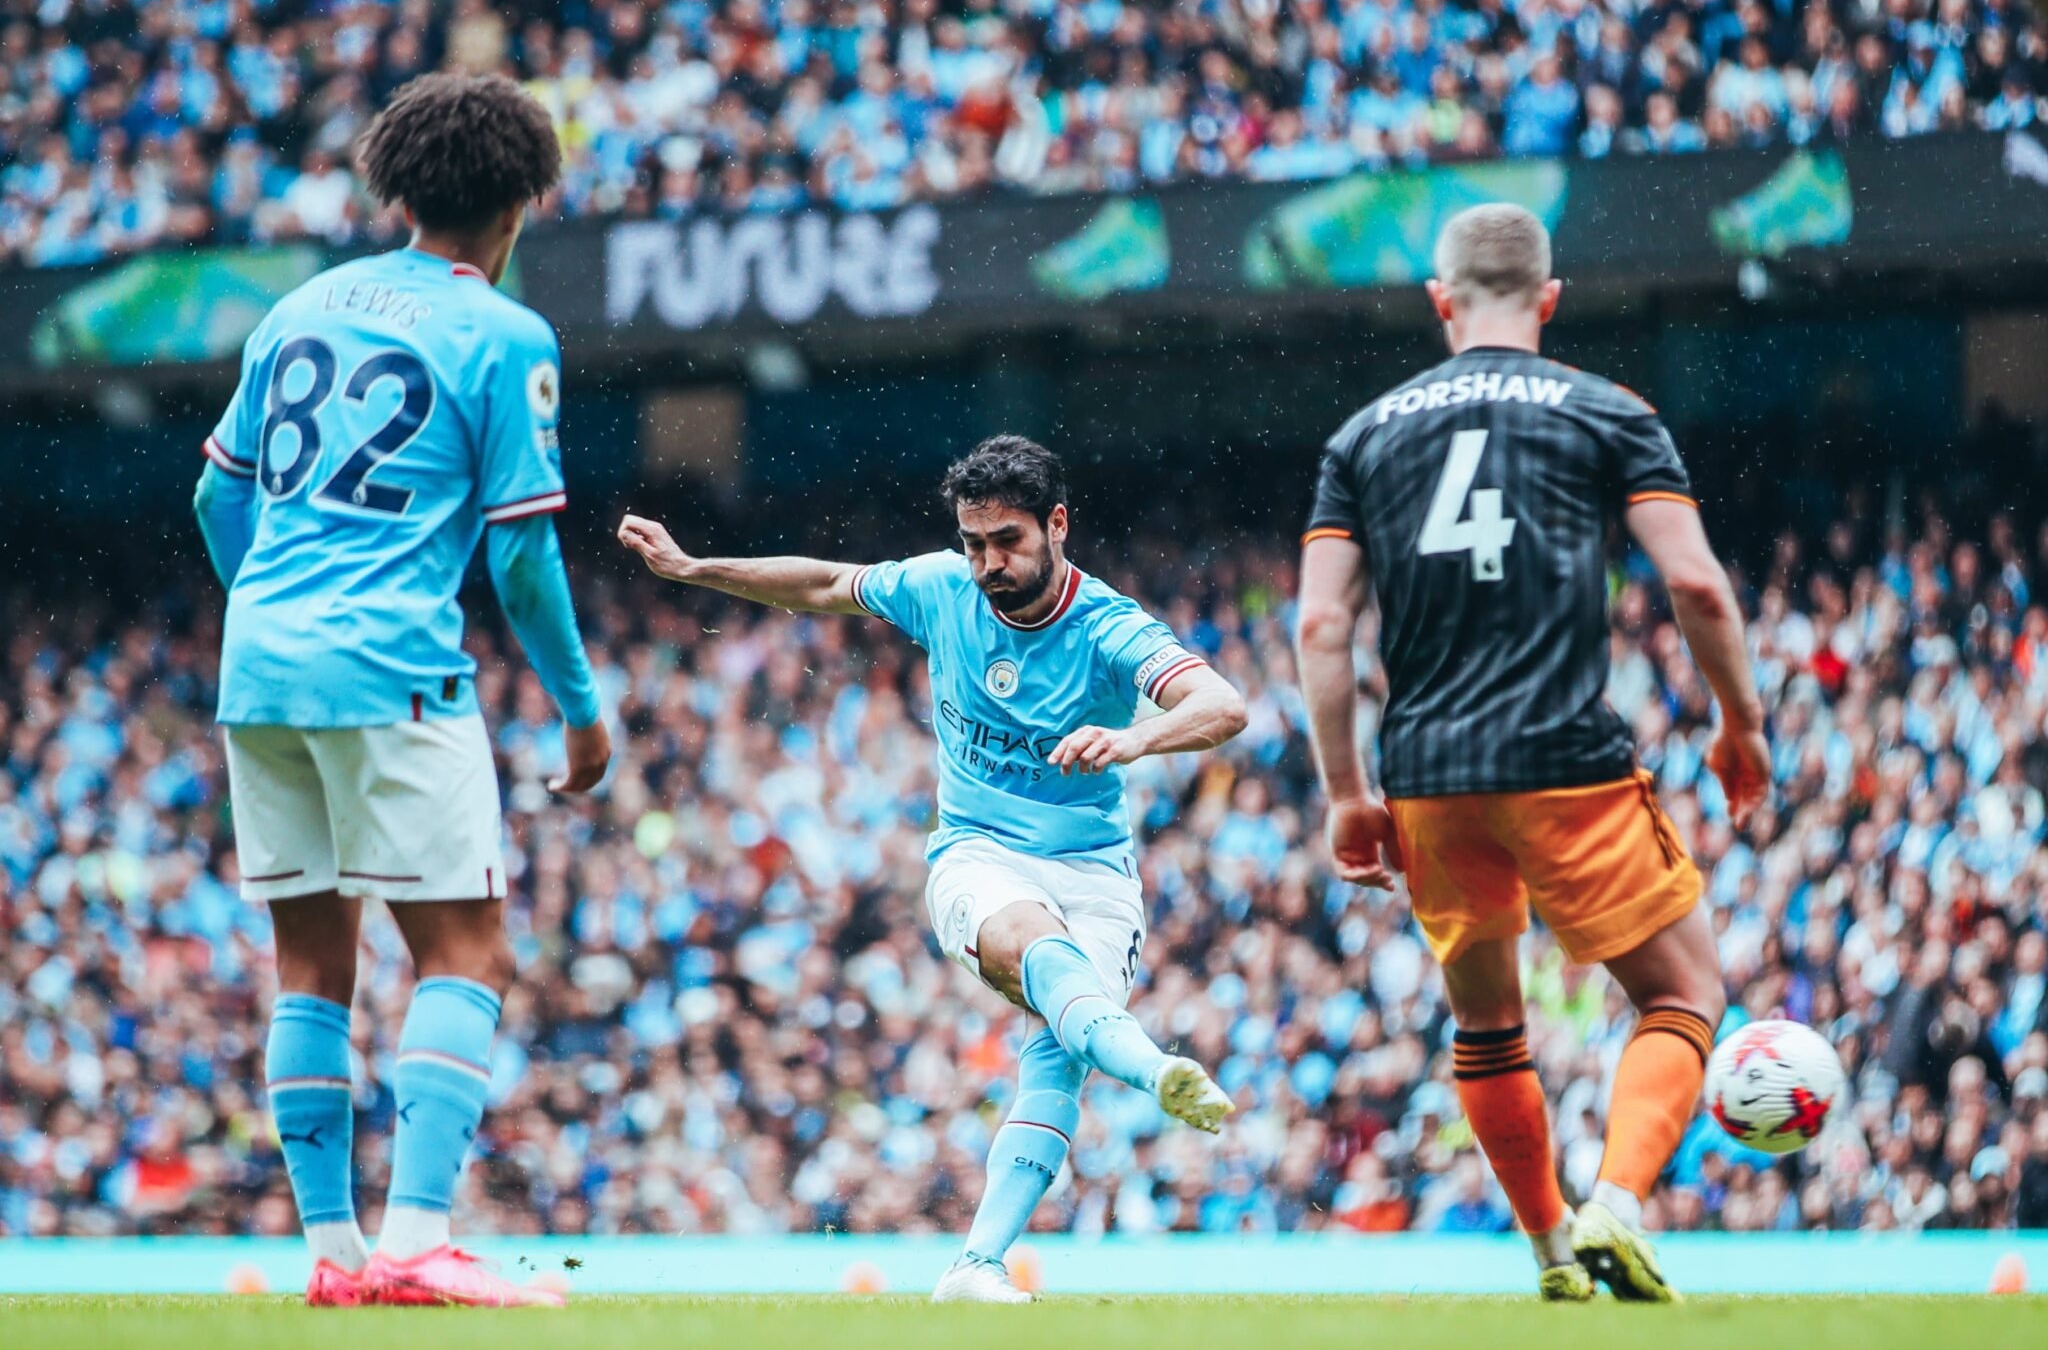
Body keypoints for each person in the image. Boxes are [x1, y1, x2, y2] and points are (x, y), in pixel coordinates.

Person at [618, 435, 1245, 1302]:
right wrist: (694, 569)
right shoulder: (942, 589)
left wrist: (1137, 735)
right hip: (978, 854)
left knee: (1059, 1055)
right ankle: (1151, 1069)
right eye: (973, 542)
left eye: (1008, 542)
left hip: (1094, 869)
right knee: (1034, 945)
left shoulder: (1108, 627)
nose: (988, 563)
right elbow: (826, 584)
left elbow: (1222, 703)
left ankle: (975, 1265)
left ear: (1058, 525)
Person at [1292, 203, 1770, 1302]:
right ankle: (1617, 1201)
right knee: (1683, 992)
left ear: (1439, 302)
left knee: (1486, 1022)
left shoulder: (1359, 438)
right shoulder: (1608, 412)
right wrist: (1737, 723)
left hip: (1425, 773)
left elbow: (1321, 627)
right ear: (1548, 300)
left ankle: (1552, 1251)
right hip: (1567, 760)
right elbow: (1694, 583)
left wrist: (1343, 793)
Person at [192, 73, 610, 1309]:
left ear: (398, 185)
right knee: (466, 948)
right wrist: (581, 710)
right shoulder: (505, 336)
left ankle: (332, 1255)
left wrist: (272, 608)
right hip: (388, 666)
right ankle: (418, 1239)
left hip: (258, 665)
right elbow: (522, 553)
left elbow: (219, 497)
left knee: (311, 965)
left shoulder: (304, 305)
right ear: (525, 205)